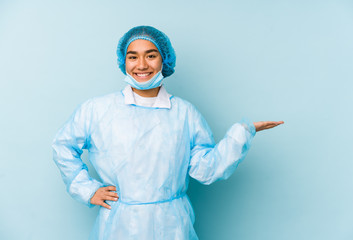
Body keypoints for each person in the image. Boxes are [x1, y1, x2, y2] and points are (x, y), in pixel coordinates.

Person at [52, 25, 284, 240]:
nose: (141, 65)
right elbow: (63, 146)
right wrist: (87, 189)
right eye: (133, 56)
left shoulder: (184, 113)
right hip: (119, 223)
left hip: (172, 224)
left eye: (151, 55)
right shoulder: (98, 109)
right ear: (124, 61)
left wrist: (242, 133)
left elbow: (206, 169)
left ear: (164, 59)